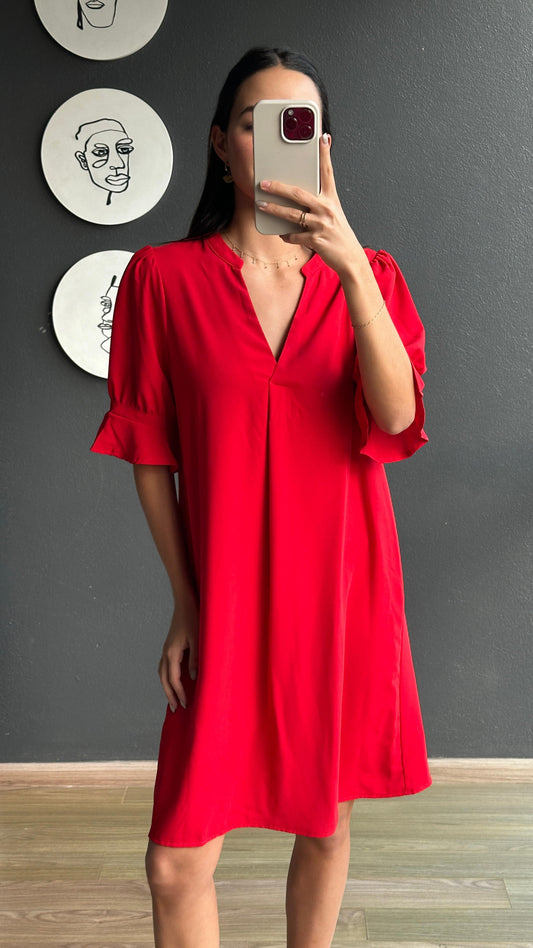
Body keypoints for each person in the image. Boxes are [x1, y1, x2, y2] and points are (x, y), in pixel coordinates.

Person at [91, 45, 431, 948]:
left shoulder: (372, 277)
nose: (274, 139)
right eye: (253, 121)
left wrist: (348, 267)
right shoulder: (161, 280)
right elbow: (150, 453)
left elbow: (396, 416)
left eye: (296, 124)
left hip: (342, 592)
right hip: (226, 594)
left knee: (325, 820)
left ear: (322, 148)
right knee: (176, 863)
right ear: (220, 144)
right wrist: (185, 600)